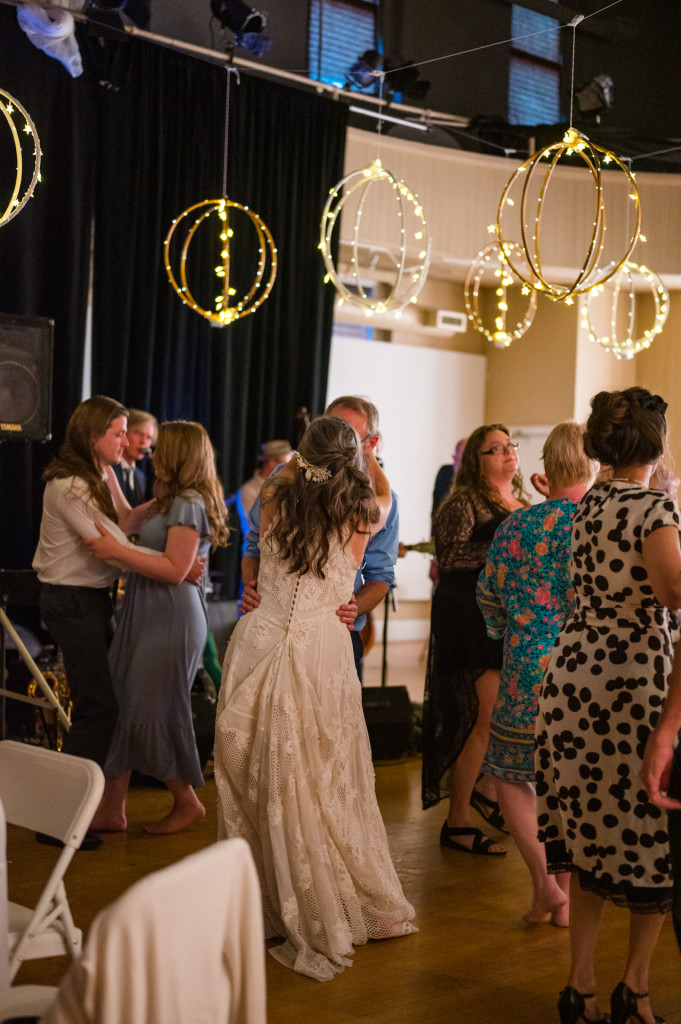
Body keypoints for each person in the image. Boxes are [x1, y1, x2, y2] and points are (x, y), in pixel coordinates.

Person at [214, 416, 416, 981]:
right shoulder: (364, 511)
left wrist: (306, 459)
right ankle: (308, 891)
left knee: (255, 770)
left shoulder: (274, 496)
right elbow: (384, 493)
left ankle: (271, 900)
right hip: (319, 644)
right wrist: (368, 454)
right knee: (320, 772)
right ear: (351, 460)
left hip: (262, 635)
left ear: (300, 458)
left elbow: (276, 494)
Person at [534, 388, 681, 1024]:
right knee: (653, 835)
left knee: (589, 836)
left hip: (573, 675)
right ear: (657, 443)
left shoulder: (589, 501)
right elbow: (672, 590)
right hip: (631, 680)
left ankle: (580, 986)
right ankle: (636, 987)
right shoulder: (653, 507)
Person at [477, 421, 598, 924]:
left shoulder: (517, 526)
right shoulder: (604, 523)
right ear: (595, 465)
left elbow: (488, 596)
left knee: (511, 778)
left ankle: (546, 885)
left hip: (527, 669)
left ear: (545, 468)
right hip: (589, 674)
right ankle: (558, 901)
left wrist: (510, 625)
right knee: (569, 786)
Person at [84, 421, 229, 834]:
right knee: (125, 704)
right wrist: (105, 464)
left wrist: (118, 551)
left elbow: (173, 569)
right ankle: (114, 809)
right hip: (148, 611)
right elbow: (126, 518)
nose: (151, 452)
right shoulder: (168, 500)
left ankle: (187, 802)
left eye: (161, 447)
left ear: (178, 455)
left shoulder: (187, 503)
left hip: (170, 617)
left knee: (153, 711)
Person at [422, 424, 529, 855]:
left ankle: (485, 789)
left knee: (498, 717)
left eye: (510, 446)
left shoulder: (521, 502)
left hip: (506, 619)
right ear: (477, 461)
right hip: (467, 617)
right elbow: (448, 556)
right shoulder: (463, 500)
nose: (507, 452)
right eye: (495, 448)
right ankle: (458, 820)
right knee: (481, 719)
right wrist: (507, 550)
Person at [240, 395, 399, 682]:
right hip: (269, 626)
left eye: (347, 436)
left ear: (370, 443)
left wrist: (355, 609)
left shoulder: (276, 487)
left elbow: (381, 575)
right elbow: (253, 545)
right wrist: (251, 585)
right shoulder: (371, 507)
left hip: (336, 632)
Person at [33, 396, 145, 773]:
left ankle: (89, 808)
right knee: (97, 707)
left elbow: (126, 521)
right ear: (94, 435)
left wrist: (174, 502)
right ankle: (63, 819)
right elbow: (111, 549)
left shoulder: (100, 472)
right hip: (72, 600)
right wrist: (173, 567)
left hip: (92, 600)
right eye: (119, 434)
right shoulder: (71, 485)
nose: (126, 442)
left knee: (104, 703)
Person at [112, 408, 157, 506]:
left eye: (149, 437)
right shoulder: (108, 468)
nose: (144, 442)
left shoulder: (141, 477)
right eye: (138, 434)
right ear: (124, 433)